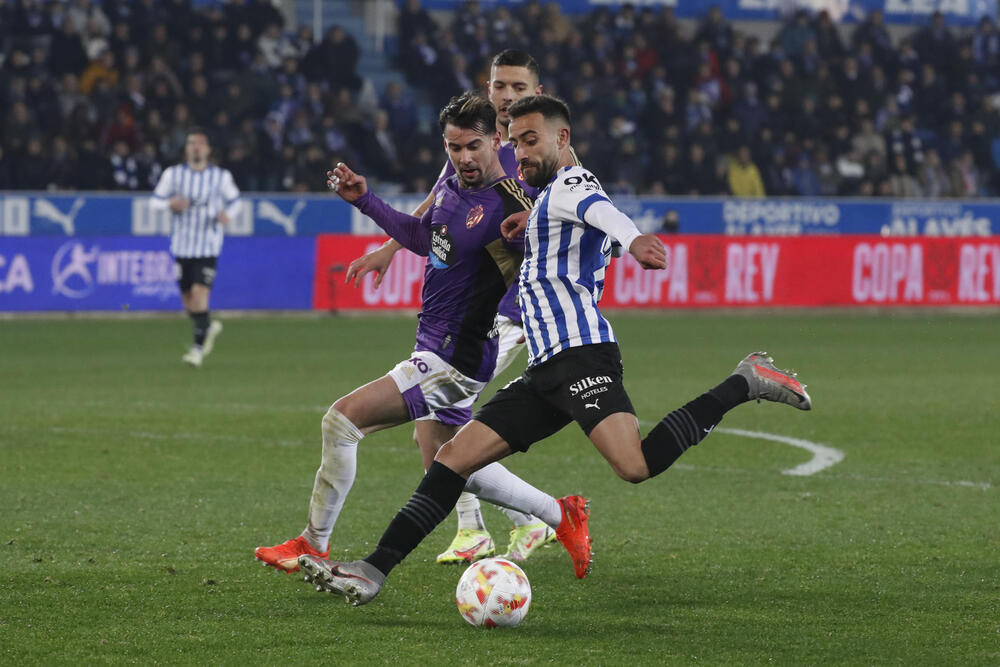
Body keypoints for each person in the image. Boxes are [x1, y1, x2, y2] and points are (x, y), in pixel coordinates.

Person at [296, 94, 813, 606]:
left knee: (633, 465)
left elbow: (599, 210)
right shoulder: (542, 198)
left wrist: (633, 241)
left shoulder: (572, 183)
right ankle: (372, 570)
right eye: (516, 143)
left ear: (561, 139)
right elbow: (574, 229)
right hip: (545, 366)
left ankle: (743, 382)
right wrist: (534, 225)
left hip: (581, 355)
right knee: (451, 459)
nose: (520, 155)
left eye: (530, 141)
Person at [254, 92, 589, 575]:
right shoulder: (452, 187)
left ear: (497, 139)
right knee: (448, 464)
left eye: (473, 146)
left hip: (457, 357)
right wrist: (365, 201)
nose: (464, 158)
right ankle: (562, 515)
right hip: (433, 345)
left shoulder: (515, 204)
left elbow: (557, 253)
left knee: (341, 422)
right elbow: (420, 236)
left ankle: (313, 543)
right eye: (453, 147)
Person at [344, 49, 602, 565]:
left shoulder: (546, 154)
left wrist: (555, 300)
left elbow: (581, 224)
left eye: (517, 87)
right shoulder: (473, 146)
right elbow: (437, 207)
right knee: (441, 428)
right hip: (466, 307)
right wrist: (390, 248)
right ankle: (513, 522)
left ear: (536, 91)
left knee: (445, 427)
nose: (507, 95)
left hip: (510, 311)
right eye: (499, 85)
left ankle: (500, 524)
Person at [149, 128, 239, 368]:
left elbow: (236, 201)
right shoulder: (174, 175)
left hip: (208, 247)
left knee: (199, 295)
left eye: (200, 143)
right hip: (181, 247)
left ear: (208, 150)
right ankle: (207, 326)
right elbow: (154, 201)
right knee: (188, 300)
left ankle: (197, 350)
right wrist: (170, 203)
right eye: (192, 143)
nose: (196, 147)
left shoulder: (220, 177)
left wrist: (227, 215)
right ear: (186, 149)